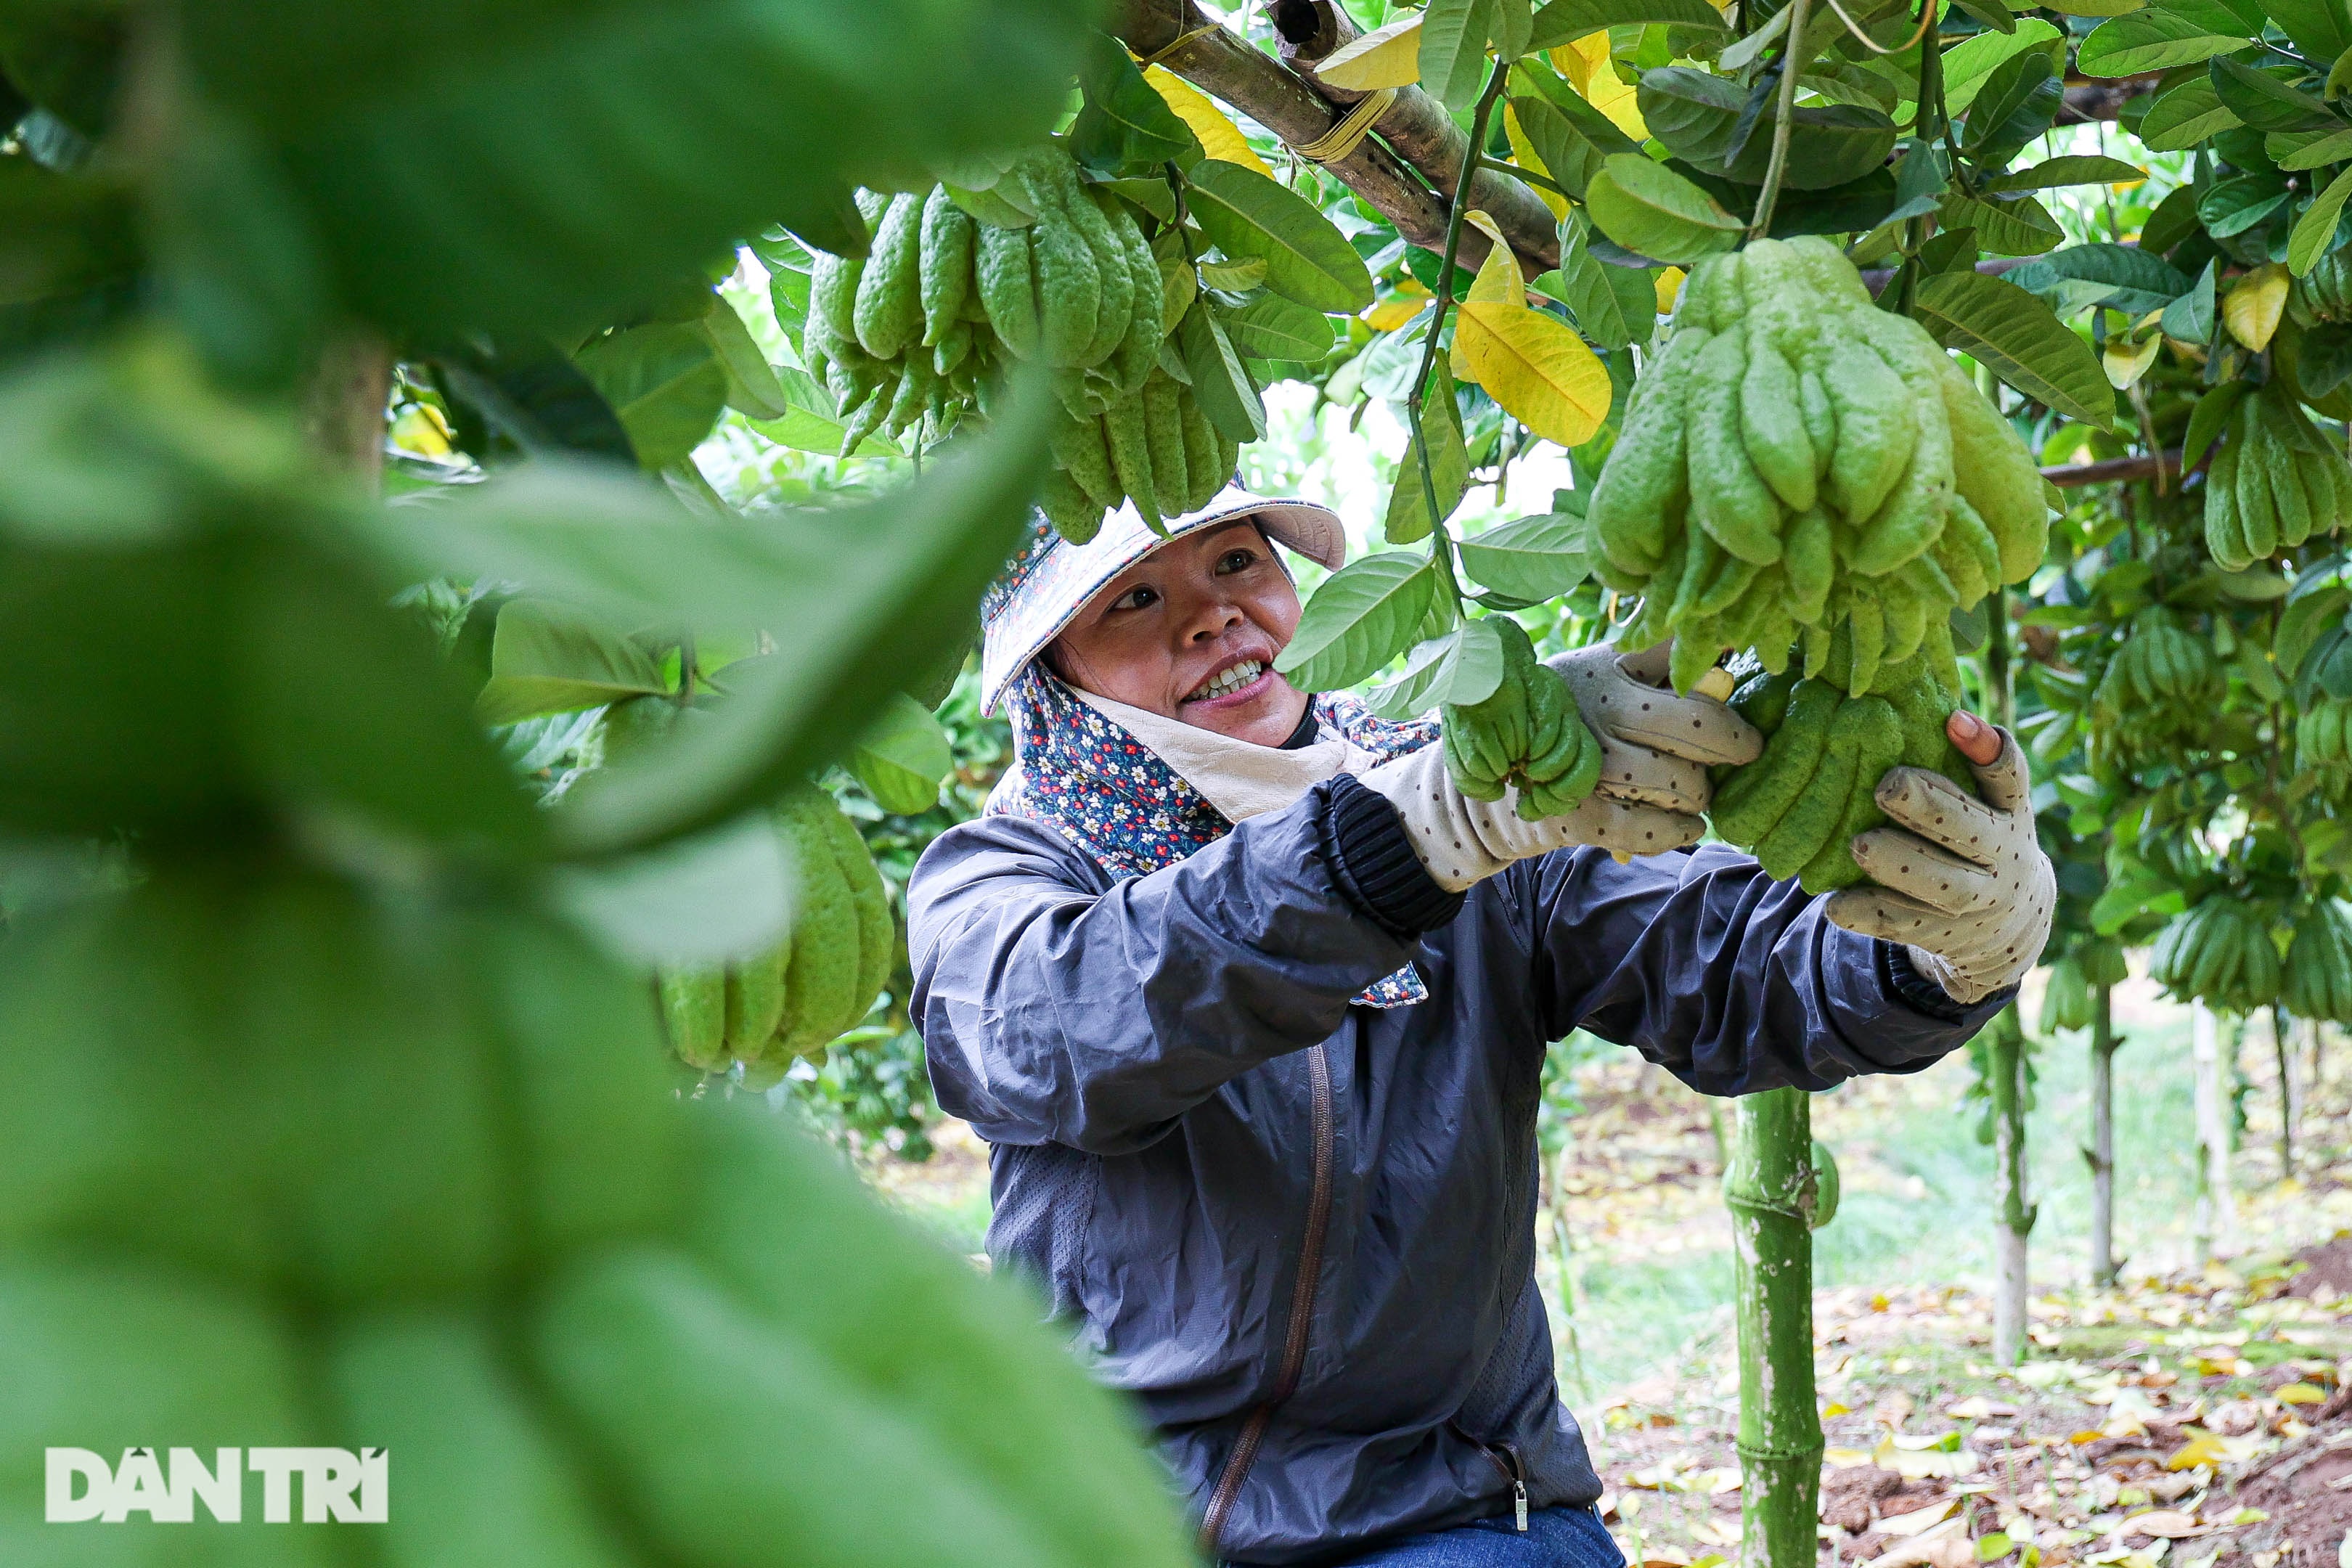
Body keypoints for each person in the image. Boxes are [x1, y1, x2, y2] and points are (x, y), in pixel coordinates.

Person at [907, 491, 2053, 1568]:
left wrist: (1936, 953)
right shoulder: (1012, 869)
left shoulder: (1466, 801)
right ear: (1056, 666)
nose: (1213, 614)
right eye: (1135, 600)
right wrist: (1384, 852)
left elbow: (1731, 957)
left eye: (1237, 561)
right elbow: (1055, 1032)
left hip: (1444, 1505)